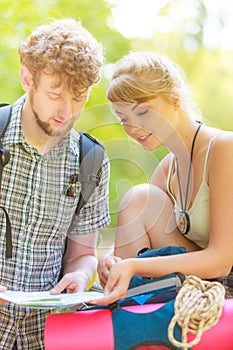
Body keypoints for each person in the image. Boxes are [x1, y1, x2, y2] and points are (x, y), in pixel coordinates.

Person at [0, 18, 110, 349]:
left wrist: (80, 275)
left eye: (79, 97)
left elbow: (83, 254)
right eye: (55, 94)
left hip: (47, 336)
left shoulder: (91, 161)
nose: (66, 111)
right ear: (27, 78)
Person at [95, 51, 233, 305]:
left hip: (225, 287)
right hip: (195, 285)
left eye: (143, 113)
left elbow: (222, 261)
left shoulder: (224, 148)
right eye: (123, 118)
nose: (133, 128)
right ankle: (120, 304)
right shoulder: (168, 168)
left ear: (175, 100)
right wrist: (114, 264)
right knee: (140, 198)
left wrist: (134, 266)